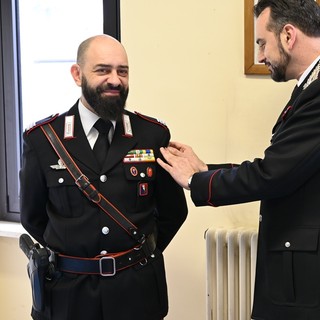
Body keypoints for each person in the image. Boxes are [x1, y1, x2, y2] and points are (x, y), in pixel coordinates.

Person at [157, 0, 320, 319]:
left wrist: (195, 181)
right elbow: (284, 165)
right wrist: (207, 170)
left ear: (288, 35)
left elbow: (273, 174)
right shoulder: (308, 89)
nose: (260, 56)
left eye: (262, 43)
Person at [20, 34, 188, 320]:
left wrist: (136, 256)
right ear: (77, 74)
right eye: (103, 70)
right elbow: (33, 217)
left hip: (137, 292)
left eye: (122, 71)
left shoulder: (151, 134)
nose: (115, 80)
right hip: (69, 296)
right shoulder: (43, 140)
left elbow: (173, 212)